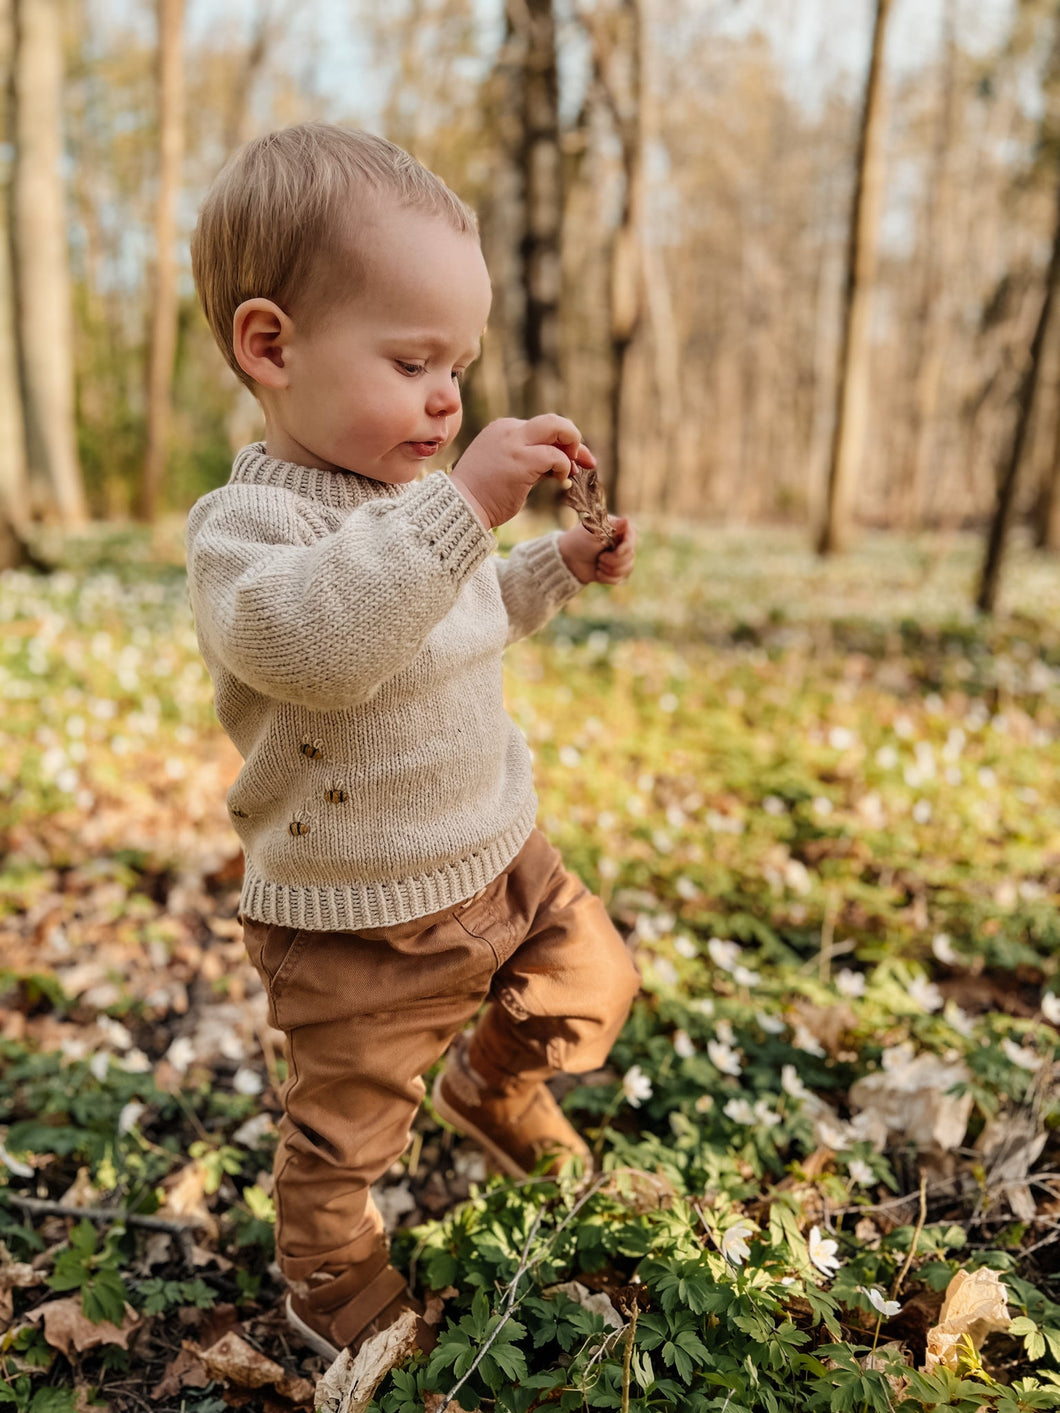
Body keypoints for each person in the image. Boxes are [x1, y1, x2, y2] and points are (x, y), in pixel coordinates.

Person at [184, 121, 641, 1363]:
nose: (448, 396)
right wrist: (471, 503)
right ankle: (329, 1279)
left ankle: (491, 1087)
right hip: (354, 917)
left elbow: (458, 616)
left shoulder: (410, 507)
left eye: (462, 363)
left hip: (498, 851)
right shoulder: (246, 533)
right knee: (347, 1138)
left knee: (592, 984)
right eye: (411, 359)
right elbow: (324, 646)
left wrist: (547, 561)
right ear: (269, 345)